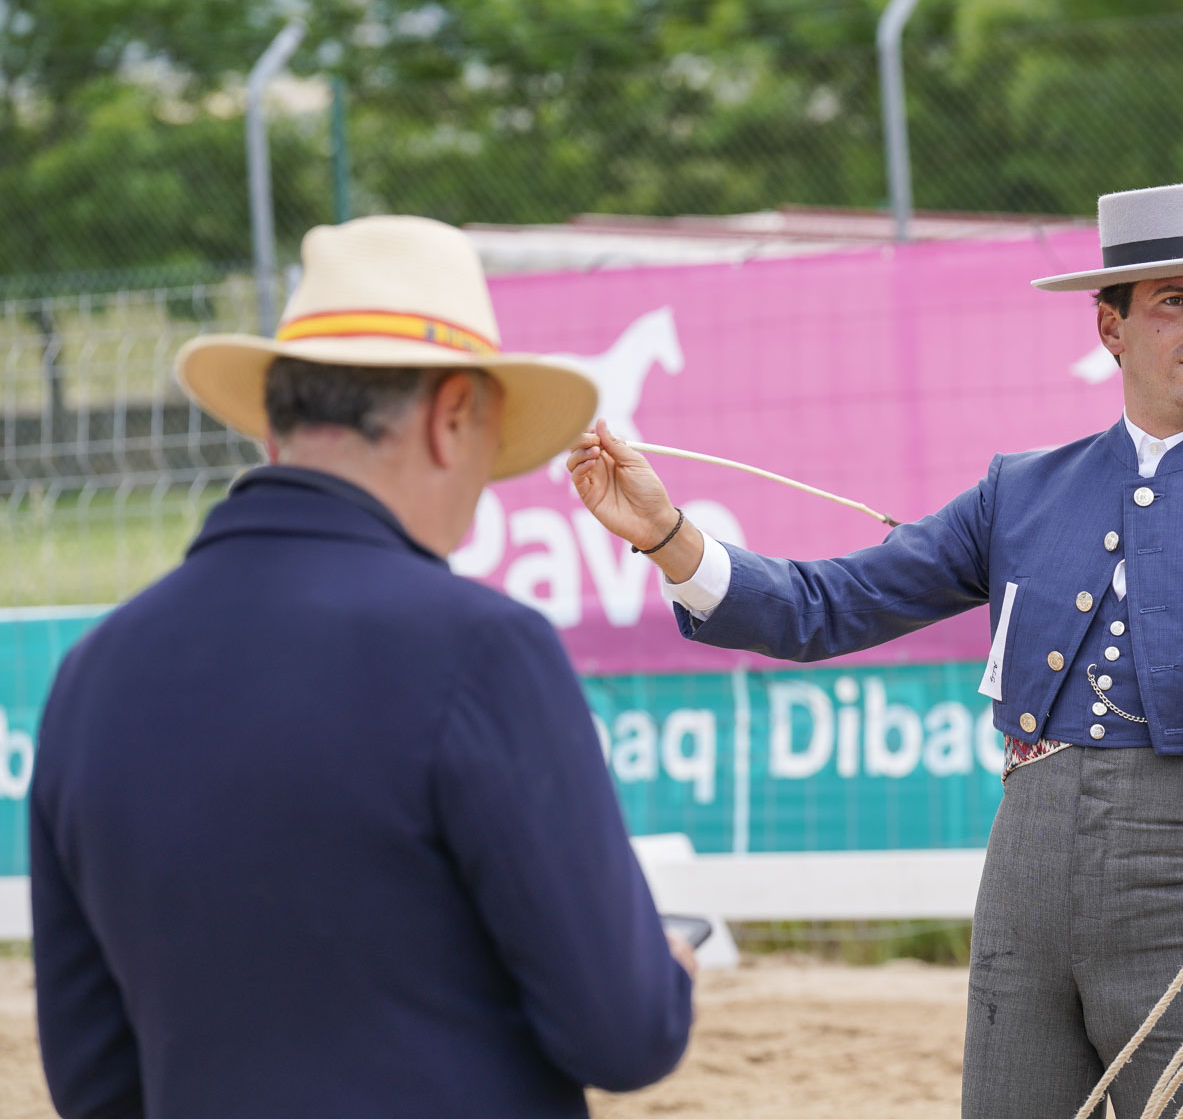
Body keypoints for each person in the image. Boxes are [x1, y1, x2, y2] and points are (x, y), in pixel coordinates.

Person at [567, 179, 1183, 1118]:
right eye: (1175, 303)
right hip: (1019, 892)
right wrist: (667, 537)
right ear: (1109, 328)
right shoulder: (1016, 492)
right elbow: (824, 608)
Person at [31, 216, 695, 1119]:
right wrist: (669, 972)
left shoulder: (91, 675)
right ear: (453, 414)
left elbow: (91, 1077)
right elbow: (623, 1035)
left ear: (274, 427)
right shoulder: (482, 649)